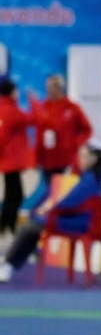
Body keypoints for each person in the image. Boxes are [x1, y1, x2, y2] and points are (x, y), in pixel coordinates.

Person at [0, 138, 101, 283]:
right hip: (83, 222)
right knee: (34, 227)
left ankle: (8, 265)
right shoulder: (98, 179)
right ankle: (10, 264)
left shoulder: (89, 180)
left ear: (94, 159)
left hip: (78, 223)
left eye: (84, 156)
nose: (81, 159)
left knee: (30, 228)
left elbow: (71, 203)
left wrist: (50, 210)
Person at [27, 74, 92, 193]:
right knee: (51, 195)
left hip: (67, 161)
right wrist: (35, 159)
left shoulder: (72, 108)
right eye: (47, 87)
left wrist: (74, 143)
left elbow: (87, 130)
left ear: (59, 88)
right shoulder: (43, 107)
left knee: (66, 195)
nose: (48, 90)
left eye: (51, 87)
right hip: (47, 162)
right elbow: (38, 135)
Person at [0, 78, 32, 244]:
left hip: (8, 161)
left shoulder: (5, 108)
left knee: (11, 195)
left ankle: (6, 228)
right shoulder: (11, 111)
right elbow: (33, 119)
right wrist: (34, 101)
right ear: (12, 92)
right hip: (10, 161)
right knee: (15, 195)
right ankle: (8, 229)